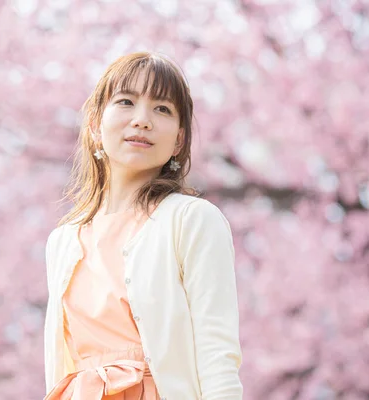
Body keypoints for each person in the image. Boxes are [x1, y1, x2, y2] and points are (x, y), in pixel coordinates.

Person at [42, 51, 243, 400]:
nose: (142, 120)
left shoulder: (192, 220)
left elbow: (218, 355)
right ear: (94, 125)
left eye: (162, 109)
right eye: (126, 102)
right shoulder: (63, 240)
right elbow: (63, 367)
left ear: (179, 140)